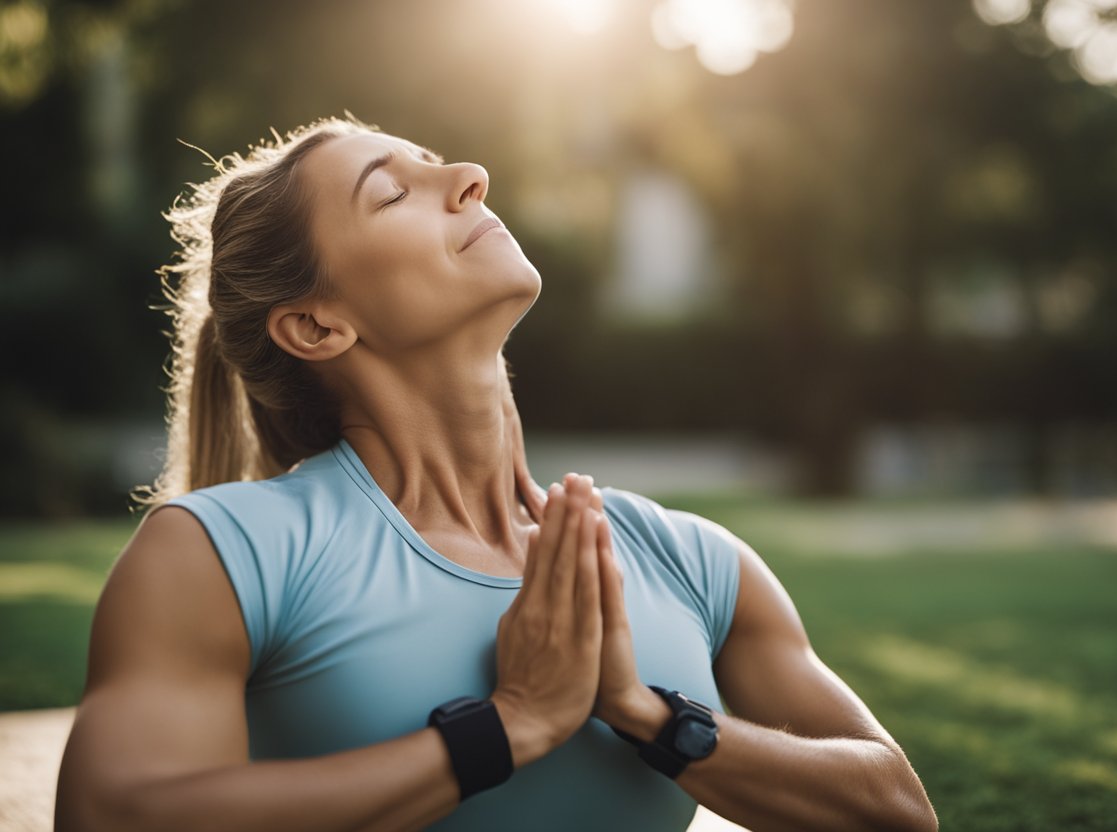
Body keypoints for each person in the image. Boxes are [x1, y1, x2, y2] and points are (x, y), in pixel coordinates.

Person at [55, 115, 937, 832]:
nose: (471, 175)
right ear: (318, 327)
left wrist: (648, 716)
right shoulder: (225, 553)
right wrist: (507, 726)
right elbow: (114, 814)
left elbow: (896, 810)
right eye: (395, 191)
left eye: (439, 164)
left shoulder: (688, 557)